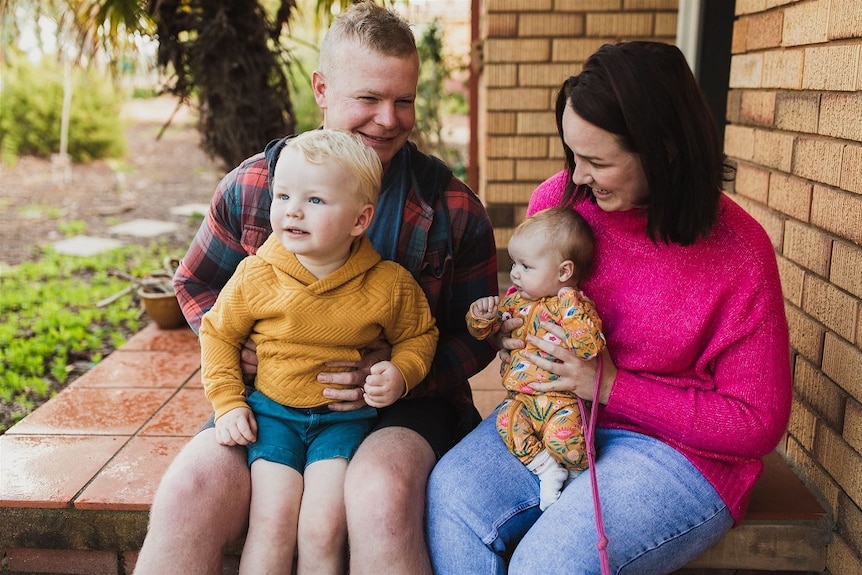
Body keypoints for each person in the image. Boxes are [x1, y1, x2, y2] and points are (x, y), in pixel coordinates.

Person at [133, 2, 498, 574]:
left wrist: (404, 372)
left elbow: (478, 336)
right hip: (275, 398)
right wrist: (244, 354)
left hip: (405, 409)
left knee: (378, 495)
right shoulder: (256, 186)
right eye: (368, 99)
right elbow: (198, 282)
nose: (389, 118)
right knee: (189, 490)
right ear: (322, 89)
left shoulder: (452, 207)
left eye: (404, 100)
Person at [427, 40, 791, 575]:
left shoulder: (739, 251)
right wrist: (513, 330)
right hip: (552, 417)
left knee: (547, 563)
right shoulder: (559, 204)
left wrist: (612, 387)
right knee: (452, 498)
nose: (575, 176)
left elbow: (756, 422)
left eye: (597, 161)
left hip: (680, 453)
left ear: (663, 149)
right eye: (572, 154)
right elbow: (529, 304)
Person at [199, 129, 439, 573]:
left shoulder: (387, 284)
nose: (292, 209)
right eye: (283, 195)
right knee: (272, 522)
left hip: (342, 422)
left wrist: (402, 372)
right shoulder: (257, 275)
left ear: (359, 220)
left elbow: (419, 335)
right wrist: (228, 401)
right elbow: (217, 334)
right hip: (271, 417)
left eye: (314, 200)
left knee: (323, 526)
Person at [466, 207, 605, 511]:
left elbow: (588, 346)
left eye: (526, 266)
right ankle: (546, 469)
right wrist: (481, 317)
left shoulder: (571, 305)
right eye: (514, 263)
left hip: (560, 400)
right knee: (506, 422)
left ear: (563, 272)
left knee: (565, 440)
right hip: (521, 398)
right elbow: (486, 331)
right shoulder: (516, 302)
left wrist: (572, 307)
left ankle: (577, 478)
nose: (514, 273)